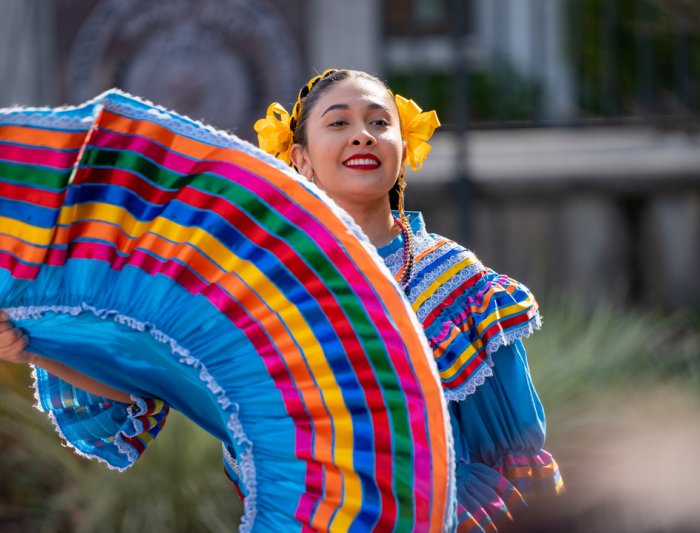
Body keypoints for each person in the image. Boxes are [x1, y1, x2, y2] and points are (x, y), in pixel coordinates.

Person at [0, 68, 563, 531]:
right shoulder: (247, 279)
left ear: (402, 146)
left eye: (378, 122)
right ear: (299, 158)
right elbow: (147, 374)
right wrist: (29, 346)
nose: (362, 135)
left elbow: (514, 445)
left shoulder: (457, 280)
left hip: (446, 517)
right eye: (338, 122)